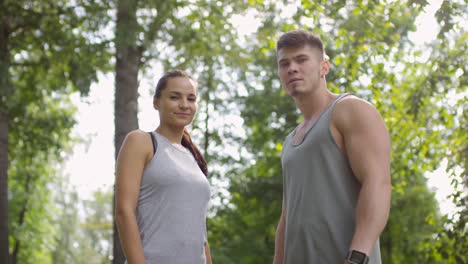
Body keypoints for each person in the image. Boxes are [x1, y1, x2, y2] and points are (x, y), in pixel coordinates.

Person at [272, 30, 391, 264]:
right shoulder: (290, 141)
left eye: (302, 59)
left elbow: (378, 183)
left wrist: (357, 257)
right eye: (284, 63)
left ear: (324, 67)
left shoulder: (349, 109)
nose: (292, 68)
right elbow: (287, 217)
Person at [115, 70, 212, 264]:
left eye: (191, 98)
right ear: (156, 102)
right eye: (175, 97)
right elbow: (124, 211)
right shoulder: (141, 142)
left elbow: (200, 235)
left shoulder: (194, 158)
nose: (184, 104)